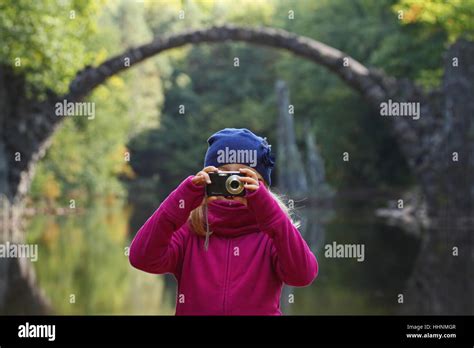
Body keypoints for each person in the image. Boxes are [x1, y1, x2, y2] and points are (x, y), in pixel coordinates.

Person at [129, 128, 318, 315]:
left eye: (243, 178)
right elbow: (142, 258)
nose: (232, 185)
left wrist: (270, 213)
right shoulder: (192, 230)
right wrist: (183, 198)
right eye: (224, 176)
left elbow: (302, 275)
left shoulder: (274, 234)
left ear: (263, 186)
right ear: (208, 179)